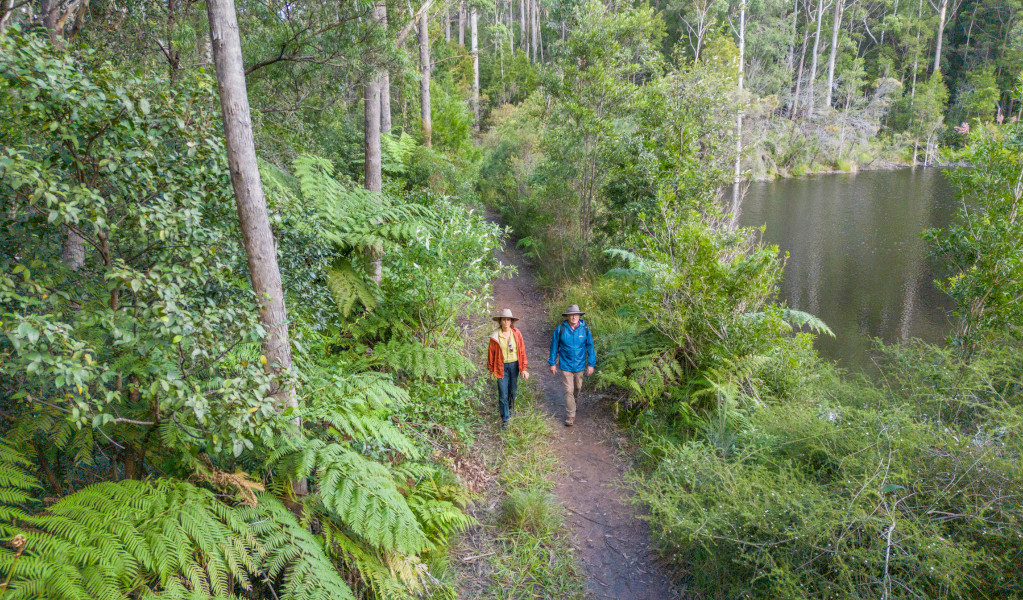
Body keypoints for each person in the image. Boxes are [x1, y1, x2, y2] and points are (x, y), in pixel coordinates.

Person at [548, 305, 595, 427]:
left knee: (577, 388)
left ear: (579, 316)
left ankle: (574, 401)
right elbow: (554, 347)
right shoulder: (560, 329)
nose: (574, 317)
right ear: (568, 316)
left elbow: (590, 346)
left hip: (580, 365)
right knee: (568, 390)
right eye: (571, 315)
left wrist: (591, 364)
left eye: (576, 314)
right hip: (566, 365)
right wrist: (552, 363)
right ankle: (570, 415)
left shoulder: (585, 329)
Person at [487, 308, 529, 427]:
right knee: (503, 393)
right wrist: (491, 369)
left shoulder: (516, 334)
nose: (506, 322)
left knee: (512, 390)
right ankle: (505, 418)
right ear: (500, 321)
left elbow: (522, 351)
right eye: (504, 320)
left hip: (514, 366)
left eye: (508, 320)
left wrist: (524, 368)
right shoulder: (495, 336)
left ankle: (511, 410)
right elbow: (491, 353)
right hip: (501, 367)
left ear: (511, 321)